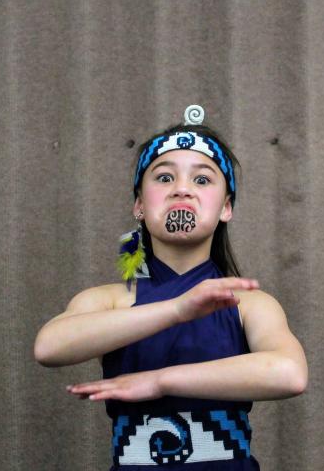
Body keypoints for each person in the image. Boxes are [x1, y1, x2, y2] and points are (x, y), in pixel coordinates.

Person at [35, 105, 307, 469]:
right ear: (139, 206)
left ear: (226, 207)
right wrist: (177, 308)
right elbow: (49, 346)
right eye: (163, 178)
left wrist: (160, 382)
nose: (182, 189)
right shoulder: (109, 300)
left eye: (202, 179)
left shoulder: (248, 304)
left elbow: (289, 373)